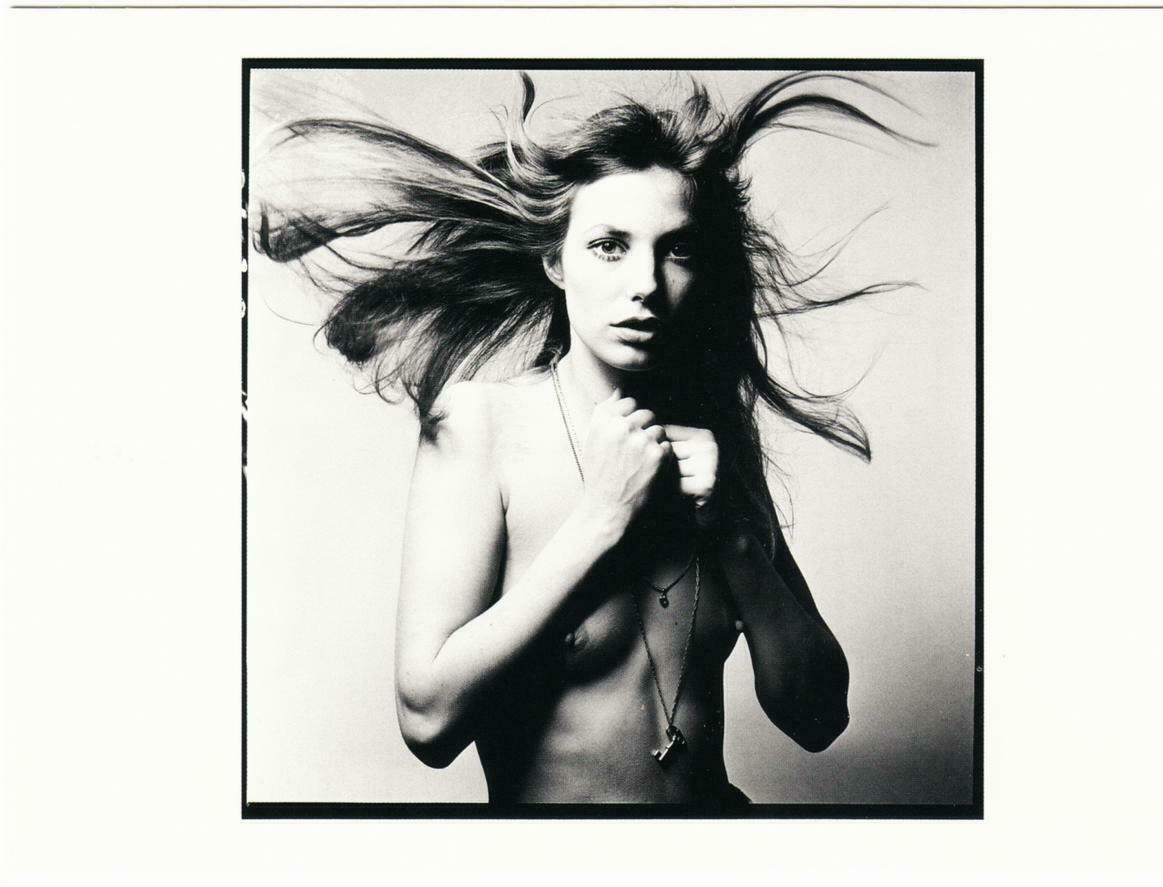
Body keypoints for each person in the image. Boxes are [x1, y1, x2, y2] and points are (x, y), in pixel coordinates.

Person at [253, 71, 920, 806]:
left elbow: (819, 717)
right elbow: (428, 723)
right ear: (555, 260)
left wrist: (732, 531)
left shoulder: (719, 439)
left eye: (677, 249)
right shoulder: (482, 426)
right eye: (608, 246)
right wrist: (602, 518)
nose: (645, 283)